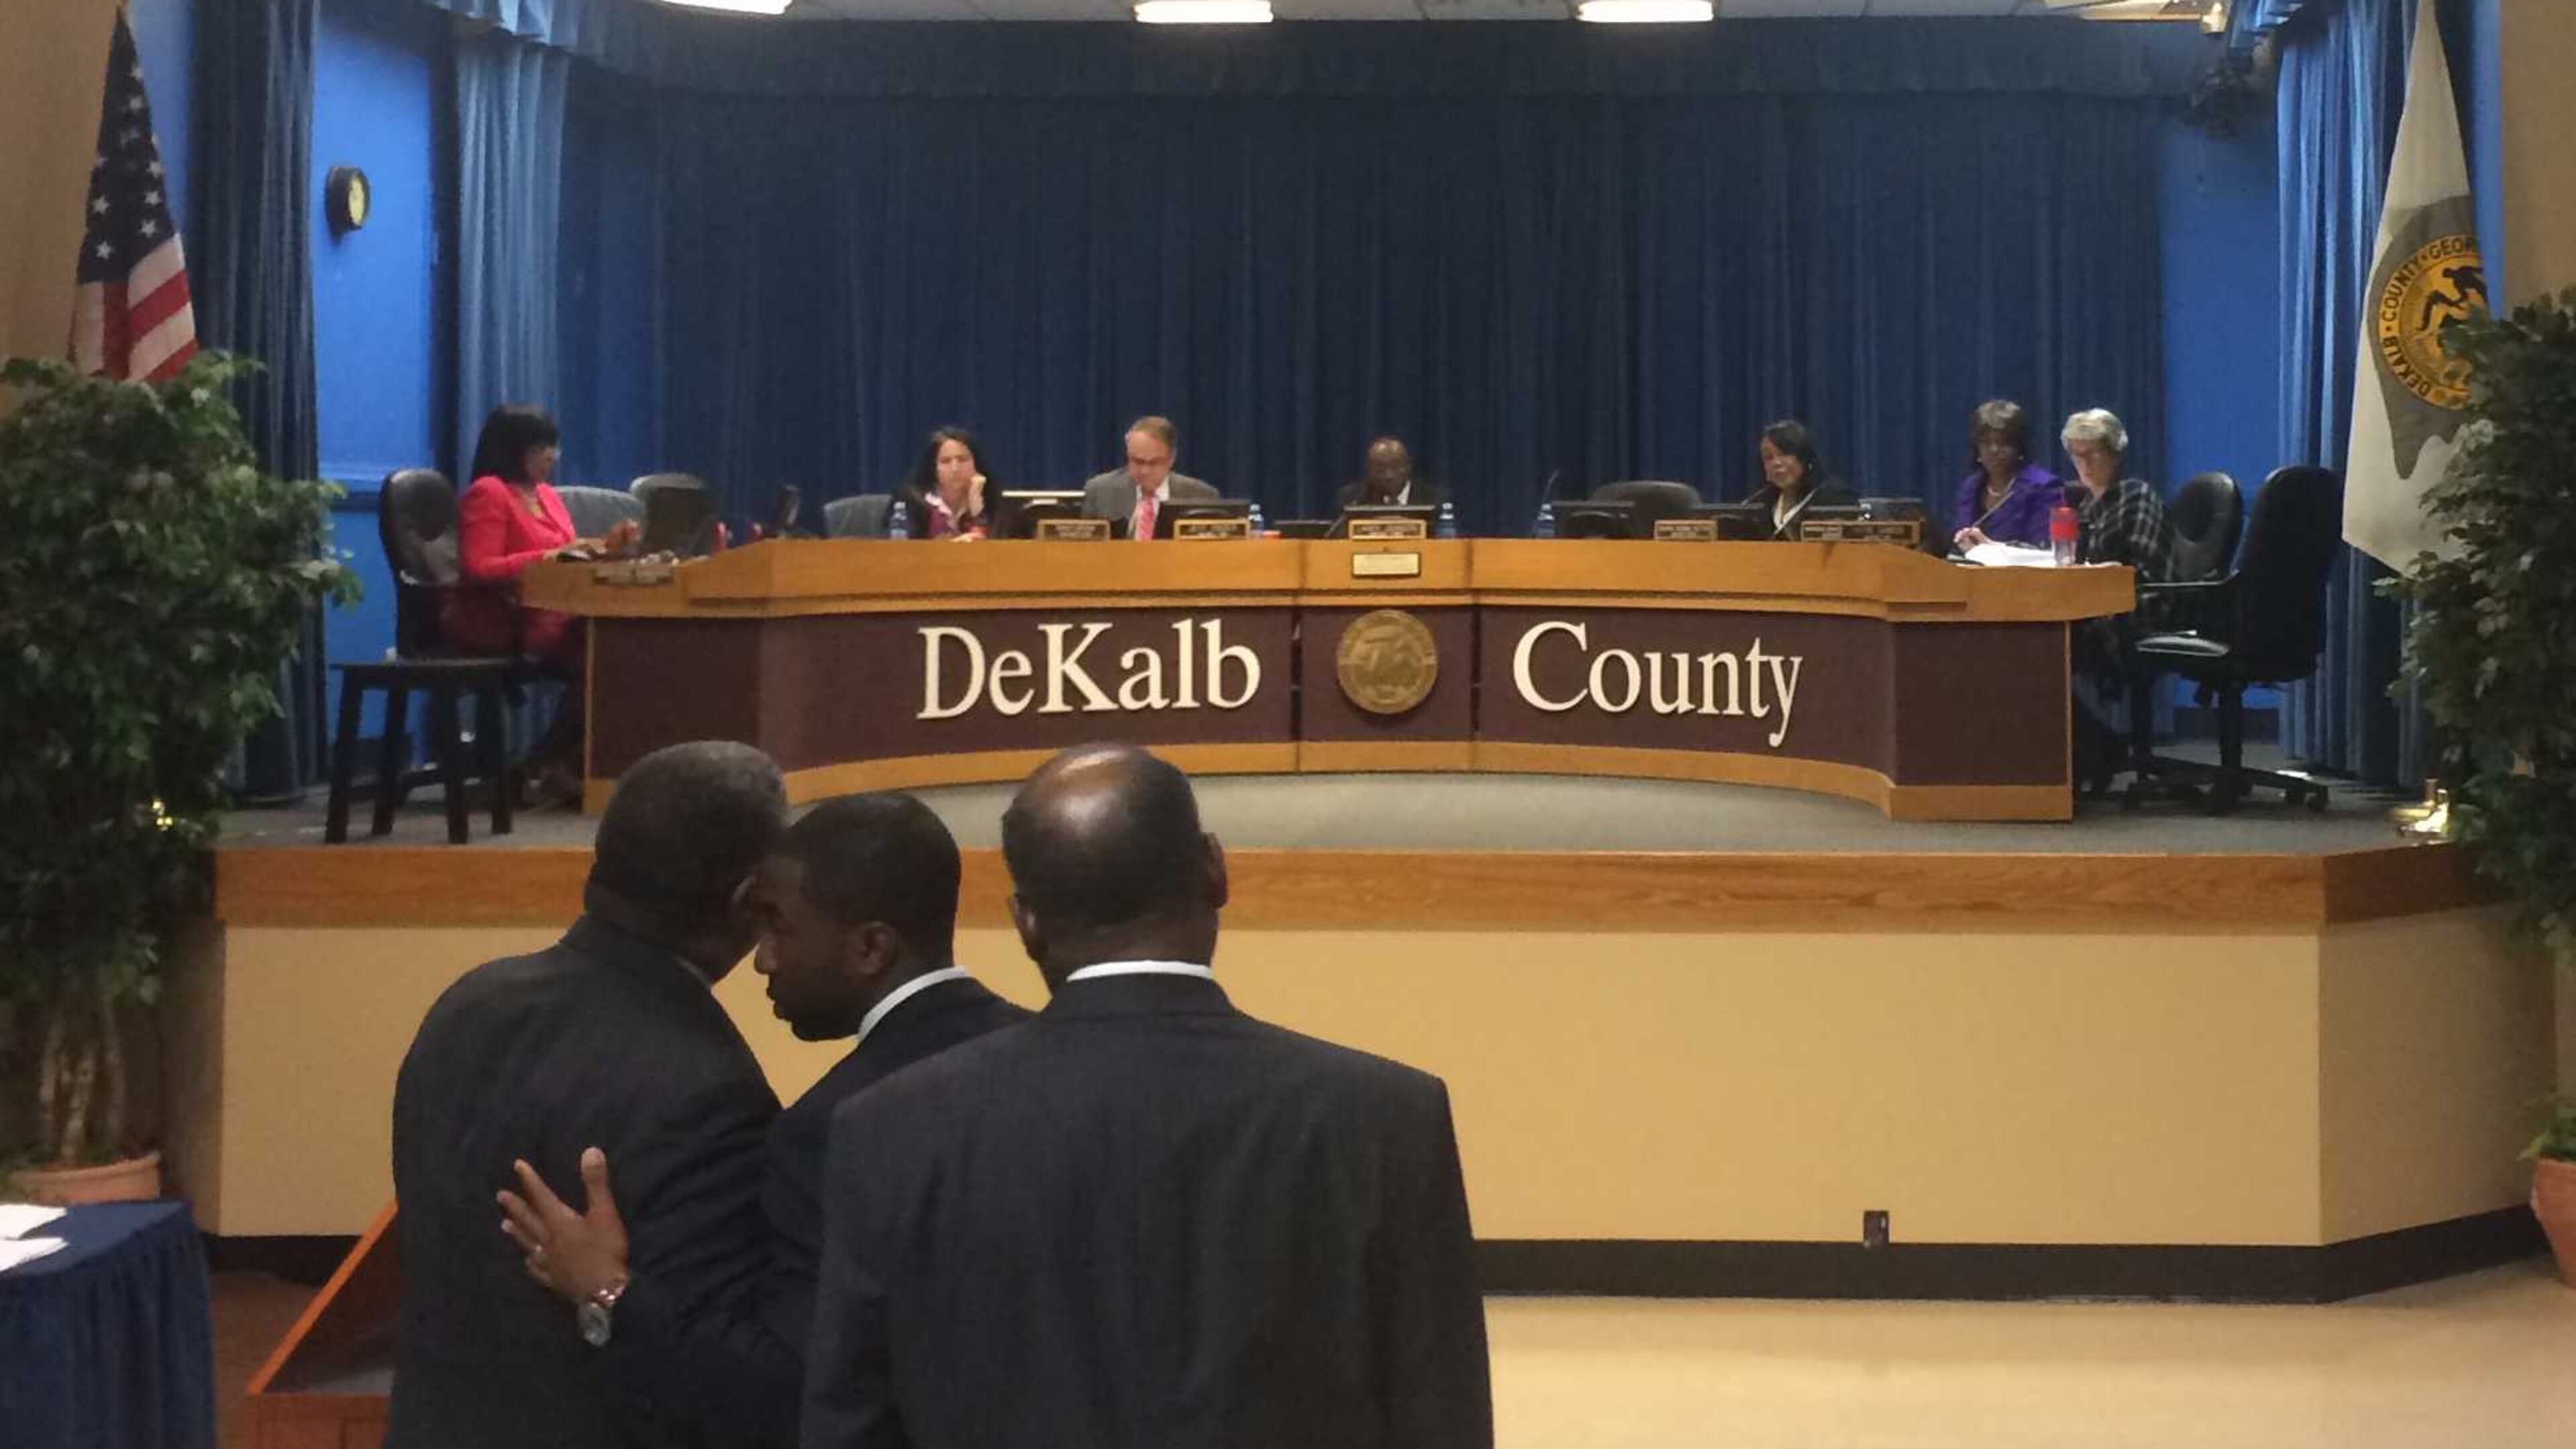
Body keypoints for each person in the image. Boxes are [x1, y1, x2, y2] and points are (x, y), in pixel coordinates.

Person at [802, 744, 1493, 1449]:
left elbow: (852, 1425)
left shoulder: (890, 1130)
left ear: (1026, 921)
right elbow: (1441, 1419)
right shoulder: (1387, 1118)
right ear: (1214, 869)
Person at [492, 794, 1032, 1448]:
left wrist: (606, 1290)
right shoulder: (1055, 1062)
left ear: (869, 948)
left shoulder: (832, 1130)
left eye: (778, 926)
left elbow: (782, 1390)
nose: (762, 960)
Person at [387, 741, 788, 1449]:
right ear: (748, 898)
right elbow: (707, 1371)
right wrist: (608, 1292)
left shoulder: (469, 1005)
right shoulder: (707, 1088)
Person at [445, 405, 635, 802]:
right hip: (503, 620)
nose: (550, 457)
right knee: (604, 660)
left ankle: (550, 766)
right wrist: (548, 557)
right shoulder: (489, 493)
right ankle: (547, 765)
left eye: (553, 448)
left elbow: (567, 555)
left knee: (621, 651)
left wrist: (606, 547)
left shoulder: (547, 495)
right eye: (540, 449)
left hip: (552, 614)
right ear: (512, 450)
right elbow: (479, 567)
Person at [2059, 407, 2180, 789]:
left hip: (2138, 616)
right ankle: (2097, 749)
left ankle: (2100, 750)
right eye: (2078, 454)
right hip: (2101, 615)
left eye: (2094, 453)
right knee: (2032, 647)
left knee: (2041, 651)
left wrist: (2094, 579)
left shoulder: (2137, 496)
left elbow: (2147, 576)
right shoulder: (2088, 507)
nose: (2085, 463)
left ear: (2115, 453)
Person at [1947, 398, 2063, 551]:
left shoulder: (2044, 487)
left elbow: (2045, 550)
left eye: (2004, 442)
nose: (1994, 449)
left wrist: (1991, 548)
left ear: (2019, 447)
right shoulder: (1972, 486)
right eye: (1986, 442)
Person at [1082, 415, 1217, 539]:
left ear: (1172, 459)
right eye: (1137, 461)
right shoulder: (1100, 492)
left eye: (1154, 463)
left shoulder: (1201, 496)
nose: (1145, 471)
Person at [1739, 419, 1858, 539]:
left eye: (1784, 454)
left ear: (1804, 457)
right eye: (1768, 458)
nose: (1777, 463)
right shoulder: (1758, 506)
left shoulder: (1837, 499)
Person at [893, 426, 995, 541]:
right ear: (934, 468)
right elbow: (903, 551)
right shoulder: (912, 500)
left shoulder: (992, 499)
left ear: (976, 464)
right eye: (946, 461)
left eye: (962, 460)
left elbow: (1001, 551)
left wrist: (978, 511)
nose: (955, 469)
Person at [1334, 435, 1450, 513]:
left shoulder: (1434, 500)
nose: (1389, 475)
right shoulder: (1354, 500)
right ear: (1369, 470)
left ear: (1408, 466)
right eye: (1380, 468)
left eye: (1396, 466)